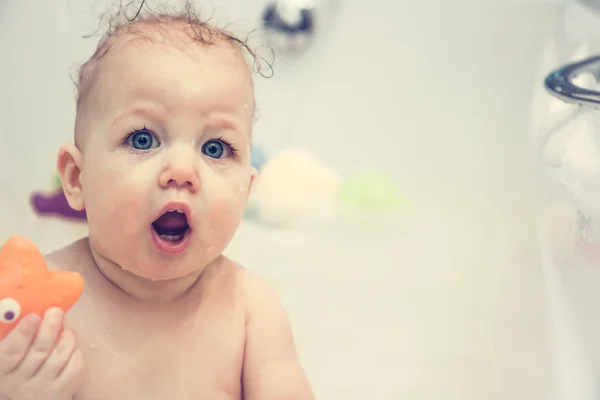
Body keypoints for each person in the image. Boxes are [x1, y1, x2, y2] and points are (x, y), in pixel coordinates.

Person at [0, 3, 314, 399]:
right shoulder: (39, 307)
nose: (182, 170)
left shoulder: (250, 312)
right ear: (77, 178)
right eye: (143, 139)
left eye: (215, 148)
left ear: (246, 192)